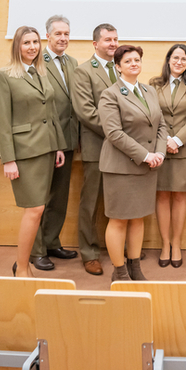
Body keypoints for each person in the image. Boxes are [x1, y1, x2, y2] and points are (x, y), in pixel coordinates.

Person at [0, 26, 66, 278]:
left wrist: (58, 145)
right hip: (24, 154)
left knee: (39, 209)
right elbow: (2, 122)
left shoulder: (40, 72)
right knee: (34, 210)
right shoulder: (4, 76)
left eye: (35, 42)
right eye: (26, 43)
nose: (32, 47)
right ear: (17, 46)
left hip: (47, 149)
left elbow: (51, 113)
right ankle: (21, 268)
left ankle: (22, 264)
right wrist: (8, 159)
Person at [99, 45, 167, 281]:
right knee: (118, 220)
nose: (134, 64)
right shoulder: (110, 94)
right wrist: (145, 155)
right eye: (128, 61)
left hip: (147, 167)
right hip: (121, 167)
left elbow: (161, 125)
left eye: (137, 60)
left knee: (138, 218)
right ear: (118, 67)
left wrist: (159, 153)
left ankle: (135, 267)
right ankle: (119, 272)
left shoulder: (149, 90)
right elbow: (114, 133)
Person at [29, 15, 80, 271]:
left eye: (66, 34)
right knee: (41, 199)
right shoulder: (37, 62)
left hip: (68, 139)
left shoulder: (72, 62)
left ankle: (51, 242)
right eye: (58, 34)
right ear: (47, 36)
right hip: (46, 140)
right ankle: (36, 251)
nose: (63, 38)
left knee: (59, 197)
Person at [71, 23, 120, 276]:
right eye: (108, 40)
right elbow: (86, 112)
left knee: (118, 200)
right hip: (97, 146)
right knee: (90, 202)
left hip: (121, 149)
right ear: (95, 44)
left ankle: (119, 248)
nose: (113, 44)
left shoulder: (122, 68)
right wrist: (118, 134)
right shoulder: (83, 72)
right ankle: (89, 254)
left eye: (115, 39)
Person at [150, 44, 186, 268]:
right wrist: (165, 141)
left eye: (184, 59)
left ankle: (177, 245)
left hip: (184, 149)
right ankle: (165, 245)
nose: (179, 62)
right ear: (168, 60)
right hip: (159, 149)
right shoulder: (154, 84)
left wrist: (177, 140)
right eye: (175, 58)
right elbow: (152, 115)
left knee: (180, 196)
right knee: (161, 195)